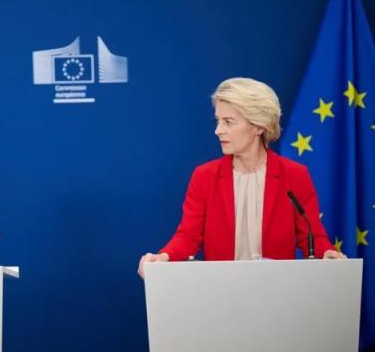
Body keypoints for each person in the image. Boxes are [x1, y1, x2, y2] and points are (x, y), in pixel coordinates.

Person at [138, 77, 344, 278]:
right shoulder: (205, 177)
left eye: (228, 122)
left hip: (277, 289)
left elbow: (311, 237)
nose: (218, 131)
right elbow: (188, 237)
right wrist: (163, 257)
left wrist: (327, 253)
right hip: (222, 290)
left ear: (258, 126)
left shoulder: (294, 175)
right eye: (218, 121)